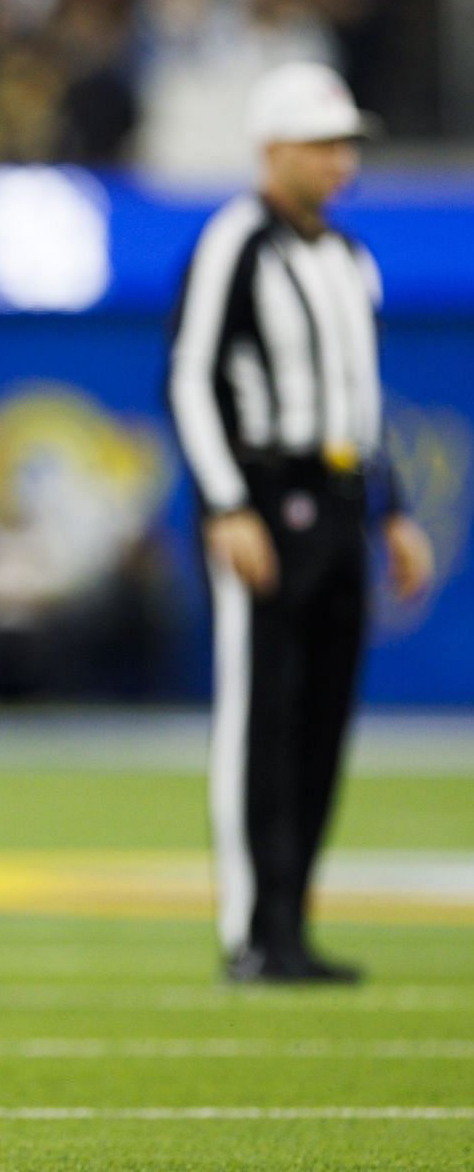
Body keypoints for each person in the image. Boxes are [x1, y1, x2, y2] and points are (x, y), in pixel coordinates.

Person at [167, 61, 435, 986]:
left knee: (322, 716)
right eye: (322, 144)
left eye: (344, 145)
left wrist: (394, 510)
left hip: (343, 501)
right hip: (265, 498)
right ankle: (254, 931)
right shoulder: (234, 241)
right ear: (273, 150)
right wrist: (226, 505)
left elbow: (360, 401)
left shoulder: (351, 259)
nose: (339, 162)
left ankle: (294, 920)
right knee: (261, 716)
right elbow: (190, 378)